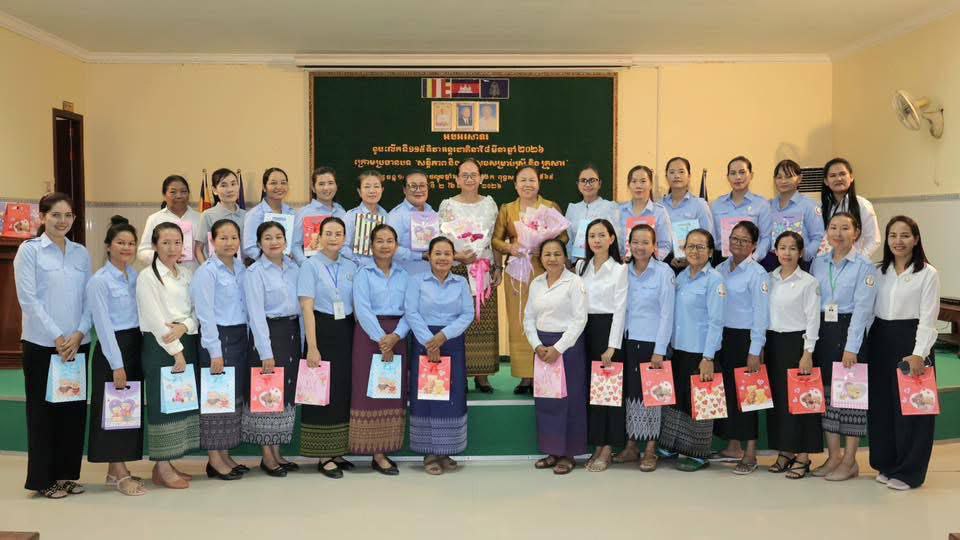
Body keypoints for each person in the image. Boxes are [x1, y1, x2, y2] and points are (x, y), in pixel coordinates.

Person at [13, 192, 92, 499]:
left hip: (76, 344)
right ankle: (43, 479)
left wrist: (79, 333)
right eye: (56, 215)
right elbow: (28, 299)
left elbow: (89, 298)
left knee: (72, 412)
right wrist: (57, 336)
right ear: (42, 217)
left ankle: (65, 475)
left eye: (68, 215)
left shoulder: (80, 253)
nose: (62, 221)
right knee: (43, 414)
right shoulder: (30, 251)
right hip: (43, 344)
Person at [868, 216, 940, 490]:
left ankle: (910, 472)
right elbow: (868, 310)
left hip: (911, 342)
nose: (898, 241)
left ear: (916, 239)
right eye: (893, 235)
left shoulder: (927, 273)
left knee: (914, 409)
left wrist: (919, 353)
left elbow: (928, 318)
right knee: (883, 406)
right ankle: (886, 464)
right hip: (880, 340)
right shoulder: (878, 271)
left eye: (905, 235)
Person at [809, 212, 878, 481]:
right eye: (833, 227)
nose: (838, 233)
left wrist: (852, 347)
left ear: (856, 233)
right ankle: (833, 457)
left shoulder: (864, 266)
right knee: (827, 397)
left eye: (845, 228)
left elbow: (863, 310)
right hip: (824, 332)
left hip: (851, 333)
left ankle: (850, 461)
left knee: (850, 398)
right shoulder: (819, 262)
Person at [136, 221, 200, 489]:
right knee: (163, 406)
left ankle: (168, 463)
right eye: (165, 243)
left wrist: (186, 326)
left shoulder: (186, 273)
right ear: (154, 245)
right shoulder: (147, 277)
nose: (173, 248)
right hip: (162, 347)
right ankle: (162, 467)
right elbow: (154, 318)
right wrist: (177, 353)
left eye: (177, 242)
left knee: (179, 404)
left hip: (187, 339)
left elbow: (196, 310)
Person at [493, 166, 568, 394]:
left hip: (546, 270)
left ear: (539, 183)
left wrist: (545, 246)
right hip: (517, 272)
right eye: (523, 180)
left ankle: (544, 372)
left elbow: (564, 236)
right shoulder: (507, 209)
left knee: (545, 318)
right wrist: (510, 248)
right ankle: (525, 376)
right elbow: (496, 240)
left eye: (532, 180)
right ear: (515, 185)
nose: (527, 184)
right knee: (519, 322)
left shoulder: (550, 207)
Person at [85, 216, 146, 496]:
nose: (126, 248)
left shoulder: (135, 276)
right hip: (113, 350)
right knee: (114, 412)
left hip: (134, 344)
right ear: (108, 246)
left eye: (131, 243)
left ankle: (114, 471)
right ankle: (121, 475)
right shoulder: (99, 281)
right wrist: (117, 364)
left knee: (127, 412)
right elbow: (103, 326)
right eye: (121, 243)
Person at [405, 237, 475, 475]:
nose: (443, 258)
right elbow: (411, 312)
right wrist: (429, 341)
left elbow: (467, 314)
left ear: (453, 257)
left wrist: (443, 337)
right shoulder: (417, 281)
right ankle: (429, 453)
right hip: (424, 341)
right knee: (427, 396)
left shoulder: (461, 282)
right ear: (429, 256)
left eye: (447, 253)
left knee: (451, 396)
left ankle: (446, 450)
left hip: (452, 341)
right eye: (438, 253)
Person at [658, 229, 725, 472]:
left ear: (710, 251)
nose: (694, 251)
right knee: (678, 399)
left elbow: (716, 321)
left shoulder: (715, 280)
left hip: (701, 352)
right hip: (679, 349)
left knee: (701, 402)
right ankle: (673, 445)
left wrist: (708, 357)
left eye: (700, 247)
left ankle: (698, 453)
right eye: (690, 246)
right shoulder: (682, 276)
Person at [190, 219, 251, 480]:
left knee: (231, 398)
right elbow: (204, 314)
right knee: (216, 399)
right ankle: (214, 459)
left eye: (234, 237)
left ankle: (224, 454)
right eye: (223, 238)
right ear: (212, 241)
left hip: (239, 337)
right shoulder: (207, 271)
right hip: (218, 339)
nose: (229, 242)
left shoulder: (241, 268)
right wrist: (215, 351)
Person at [298, 217, 357, 478]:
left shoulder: (351, 266)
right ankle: (323, 454)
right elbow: (306, 308)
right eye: (329, 233)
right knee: (321, 391)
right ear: (319, 237)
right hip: (321, 329)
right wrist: (312, 346)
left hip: (346, 330)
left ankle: (337, 450)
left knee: (342, 389)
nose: (334, 238)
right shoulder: (309, 266)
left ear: (345, 238)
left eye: (338, 233)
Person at [613, 224, 674, 472]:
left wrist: (660, 349)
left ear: (654, 246)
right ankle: (631, 446)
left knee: (655, 396)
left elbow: (667, 314)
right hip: (628, 341)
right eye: (635, 242)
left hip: (653, 344)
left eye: (645, 242)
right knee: (631, 394)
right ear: (629, 245)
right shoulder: (623, 271)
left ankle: (650, 449)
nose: (640, 247)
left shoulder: (664, 272)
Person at [242, 221, 302, 477]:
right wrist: (265, 352)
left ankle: (277, 452)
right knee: (267, 394)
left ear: (286, 242)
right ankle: (267, 456)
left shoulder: (294, 268)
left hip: (291, 333)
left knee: (283, 392)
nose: (274, 241)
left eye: (278, 237)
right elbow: (255, 315)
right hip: (268, 334)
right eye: (268, 238)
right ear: (259, 244)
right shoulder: (254, 272)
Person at [350, 224, 410, 475]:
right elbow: (362, 309)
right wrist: (381, 340)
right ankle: (370, 448)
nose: (385, 245)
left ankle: (383, 451)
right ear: (371, 245)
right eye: (380, 241)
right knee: (369, 392)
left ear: (396, 245)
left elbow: (411, 309)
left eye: (390, 241)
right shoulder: (363, 274)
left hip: (398, 336)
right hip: (369, 337)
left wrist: (395, 336)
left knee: (390, 392)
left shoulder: (405, 275)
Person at [525, 238, 588, 475]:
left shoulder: (575, 282)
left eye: (557, 254)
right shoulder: (536, 283)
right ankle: (552, 450)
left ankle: (569, 453)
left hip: (568, 348)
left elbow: (580, 319)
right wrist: (537, 345)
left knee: (569, 401)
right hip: (542, 348)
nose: (552, 259)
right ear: (540, 258)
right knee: (547, 400)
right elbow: (528, 318)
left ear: (565, 257)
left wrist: (558, 348)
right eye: (547, 254)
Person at [438, 158, 502, 393]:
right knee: (458, 321)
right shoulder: (447, 205)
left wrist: (498, 267)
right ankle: (460, 374)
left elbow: (495, 238)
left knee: (483, 321)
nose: (469, 179)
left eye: (473, 174)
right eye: (464, 175)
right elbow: (442, 238)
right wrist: (458, 256)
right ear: (456, 179)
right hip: (456, 269)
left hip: (483, 269)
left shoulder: (490, 204)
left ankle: (482, 376)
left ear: (481, 178)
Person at [712, 221, 770, 474]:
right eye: (734, 238)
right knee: (727, 394)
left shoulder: (758, 274)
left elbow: (761, 315)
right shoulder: (719, 269)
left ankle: (750, 453)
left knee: (749, 397)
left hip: (746, 339)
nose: (737, 243)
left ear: (754, 245)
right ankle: (733, 446)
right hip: (722, 338)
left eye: (744, 240)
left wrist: (755, 350)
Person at [765, 231, 822, 479]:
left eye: (792, 248)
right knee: (779, 402)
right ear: (775, 251)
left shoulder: (809, 282)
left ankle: (803, 457)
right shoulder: (769, 278)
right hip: (773, 343)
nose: (786, 253)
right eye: (782, 248)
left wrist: (808, 352)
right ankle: (785, 451)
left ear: (801, 253)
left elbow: (813, 319)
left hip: (797, 345)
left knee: (802, 402)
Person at [577, 219, 628, 472]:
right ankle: (597, 443)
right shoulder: (581, 267)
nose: (596, 240)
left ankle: (608, 447)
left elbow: (620, 310)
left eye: (601, 235)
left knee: (609, 393)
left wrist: (612, 346)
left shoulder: (620, 269)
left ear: (611, 239)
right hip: (584, 332)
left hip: (608, 333)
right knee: (591, 392)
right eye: (592, 236)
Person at [764, 159, 824, 271]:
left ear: (799, 178)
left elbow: (818, 237)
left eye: (788, 177)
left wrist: (805, 255)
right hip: (772, 261)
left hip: (799, 263)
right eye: (779, 177)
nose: (783, 181)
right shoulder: (768, 206)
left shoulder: (809, 206)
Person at [711, 156, 773, 264]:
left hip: (751, 261)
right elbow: (712, 238)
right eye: (733, 173)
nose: (738, 177)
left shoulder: (762, 204)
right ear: (728, 177)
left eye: (742, 172)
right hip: (721, 262)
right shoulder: (717, 205)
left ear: (751, 175)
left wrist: (753, 259)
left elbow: (766, 238)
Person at [137, 175, 202, 272]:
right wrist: (163, 256)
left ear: (189, 194)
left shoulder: (200, 218)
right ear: (164, 195)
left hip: (195, 275)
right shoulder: (154, 219)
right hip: (165, 276)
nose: (179, 196)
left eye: (183, 191)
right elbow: (142, 252)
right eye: (173, 192)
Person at [820, 158, 881, 259]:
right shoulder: (820, 207)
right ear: (826, 181)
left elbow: (874, 240)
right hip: (827, 263)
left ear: (851, 177)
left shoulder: (863, 205)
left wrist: (857, 261)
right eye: (833, 175)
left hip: (855, 263)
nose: (838, 179)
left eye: (842, 174)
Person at [660, 156, 713, 272]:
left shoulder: (699, 205)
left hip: (694, 263)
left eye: (681, 171)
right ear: (666, 177)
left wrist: (690, 259)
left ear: (689, 176)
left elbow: (707, 238)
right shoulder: (659, 206)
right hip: (663, 263)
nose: (676, 176)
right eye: (672, 172)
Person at [563, 163, 620, 263]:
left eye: (592, 180)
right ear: (578, 184)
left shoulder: (610, 207)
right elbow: (568, 240)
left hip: (603, 263)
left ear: (599, 183)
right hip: (577, 264)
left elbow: (617, 238)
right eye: (583, 180)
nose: (587, 184)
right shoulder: (572, 209)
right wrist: (569, 263)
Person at [292, 166, 347, 265]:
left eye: (330, 183)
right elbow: (294, 245)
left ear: (336, 186)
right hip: (314, 268)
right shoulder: (304, 213)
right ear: (313, 188)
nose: (326, 188)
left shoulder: (342, 212)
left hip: (340, 267)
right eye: (321, 184)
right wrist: (306, 264)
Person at [387, 168, 436, 276]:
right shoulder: (396, 216)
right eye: (413, 186)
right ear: (404, 190)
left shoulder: (433, 213)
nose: (418, 190)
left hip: (433, 279)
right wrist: (420, 256)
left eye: (422, 185)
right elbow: (389, 247)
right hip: (405, 278)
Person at [619, 165, 672, 260]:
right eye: (634, 181)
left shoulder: (659, 212)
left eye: (643, 181)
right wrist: (621, 259)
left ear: (651, 184)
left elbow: (665, 245)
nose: (638, 186)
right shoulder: (620, 211)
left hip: (652, 265)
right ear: (628, 185)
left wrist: (652, 260)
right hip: (625, 265)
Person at [242, 167, 295, 262]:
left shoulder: (291, 212)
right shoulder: (254, 214)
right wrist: (272, 260)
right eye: (273, 183)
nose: (279, 187)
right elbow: (249, 247)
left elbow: (295, 243)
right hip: (264, 266)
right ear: (264, 187)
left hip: (289, 265)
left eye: (283, 183)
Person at [195, 168, 246, 263]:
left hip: (243, 269)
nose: (230, 189)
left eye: (233, 184)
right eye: (223, 185)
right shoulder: (208, 215)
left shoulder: (247, 216)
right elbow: (198, 249)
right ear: (214, 190)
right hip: (216, 270)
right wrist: (206, 269)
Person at [344, 170, 388, 267]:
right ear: (359, 191)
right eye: (367, 187)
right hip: (357, 269)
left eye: (376, 186)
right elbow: (343, 246)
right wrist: (359, 261)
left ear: (382, 190)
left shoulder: (387, 216)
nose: (372, 191)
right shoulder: (351, 216)